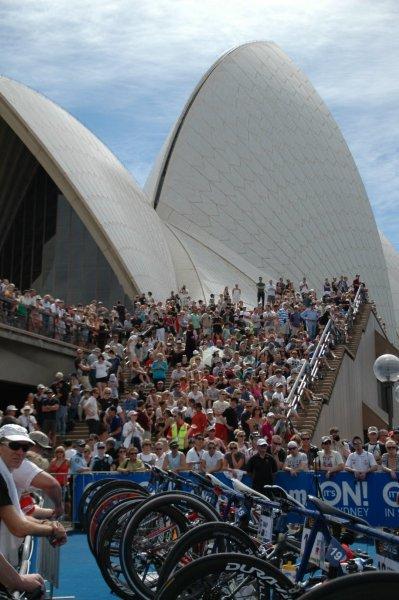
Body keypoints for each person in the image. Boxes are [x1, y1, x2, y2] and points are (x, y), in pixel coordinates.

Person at [0, 424, 67, 567]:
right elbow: (18, 527)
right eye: (14, 445)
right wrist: (52, 529)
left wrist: (45, 523)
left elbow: (17, 516)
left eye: (25, 448)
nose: (20, 452)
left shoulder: (7, 472)